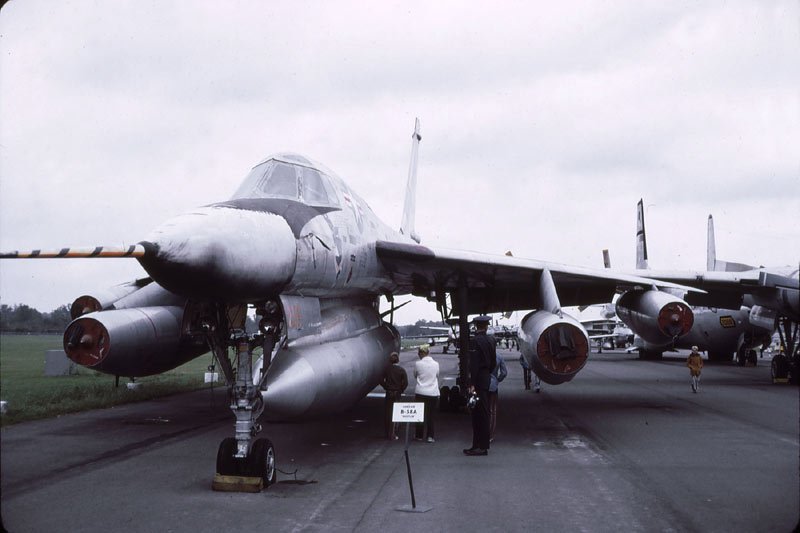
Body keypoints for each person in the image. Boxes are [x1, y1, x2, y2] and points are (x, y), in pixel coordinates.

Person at [464, 315, 496, 456]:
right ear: (487, 326)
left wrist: (472, 384)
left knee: (478, 415)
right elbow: (494, 362)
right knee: (483, 413)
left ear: (475, 326)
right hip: (485, 378)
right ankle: (478, 445)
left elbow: (474, 365)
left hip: (478, 381)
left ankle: (480, 447)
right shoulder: (491, 340)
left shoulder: (475, 341)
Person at [413, 344, 439, 443]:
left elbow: (415, 375)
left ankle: (419, 435)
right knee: (431, 416)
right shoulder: (436, 364)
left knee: (420, 415)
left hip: (420, 392)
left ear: (421, 353)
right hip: (433, 392)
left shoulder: (417, 364)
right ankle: (430, 436)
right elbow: (437, 375)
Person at [381, 352, 408, 440]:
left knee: (387, 413)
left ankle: (387, 432)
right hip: (397, 393)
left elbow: (381, 380)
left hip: (389, 392)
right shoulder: (401, 370)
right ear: (398, 360)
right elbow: (406, 383)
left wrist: (386, 387)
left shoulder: (387, 369)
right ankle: (393, 432)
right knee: (396, 413)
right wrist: (401, 390)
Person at [488, 352, 507, 442]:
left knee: (482, 409)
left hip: (482, 384)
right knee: (492, 411)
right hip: (493, 385)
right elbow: (504, 372)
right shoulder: (499, 356)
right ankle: (490, 435)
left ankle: (482, 432)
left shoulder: (482, 354)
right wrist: (497, 380)